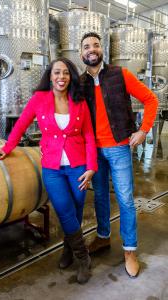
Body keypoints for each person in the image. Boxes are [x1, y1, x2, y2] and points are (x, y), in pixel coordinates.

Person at [0, 57, 98, 284]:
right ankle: (83, 257)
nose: (61, 77)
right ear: (50, 75)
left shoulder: (79, 100)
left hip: (78, 167)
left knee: (76, 212)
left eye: (66, 73)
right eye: (57, 72)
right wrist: (6, 147)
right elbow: (21, 124)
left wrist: (91, 167)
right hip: (53, 168)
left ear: (71, 77)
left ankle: (68, 251)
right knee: (65, 211)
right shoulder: (40, 99)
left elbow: (88, 135)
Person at [80, 32, 158, 278]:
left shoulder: (120, 74)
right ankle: (103, 237)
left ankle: (129, 250)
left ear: (102, 49)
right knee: (100, 196)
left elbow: (151, 99)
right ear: (81, 53)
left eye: (95, 45)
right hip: (93, 150)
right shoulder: (79, 82)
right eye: (86, 47)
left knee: (124, 199)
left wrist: (144, 130)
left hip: (118, 147)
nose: (91, 49)